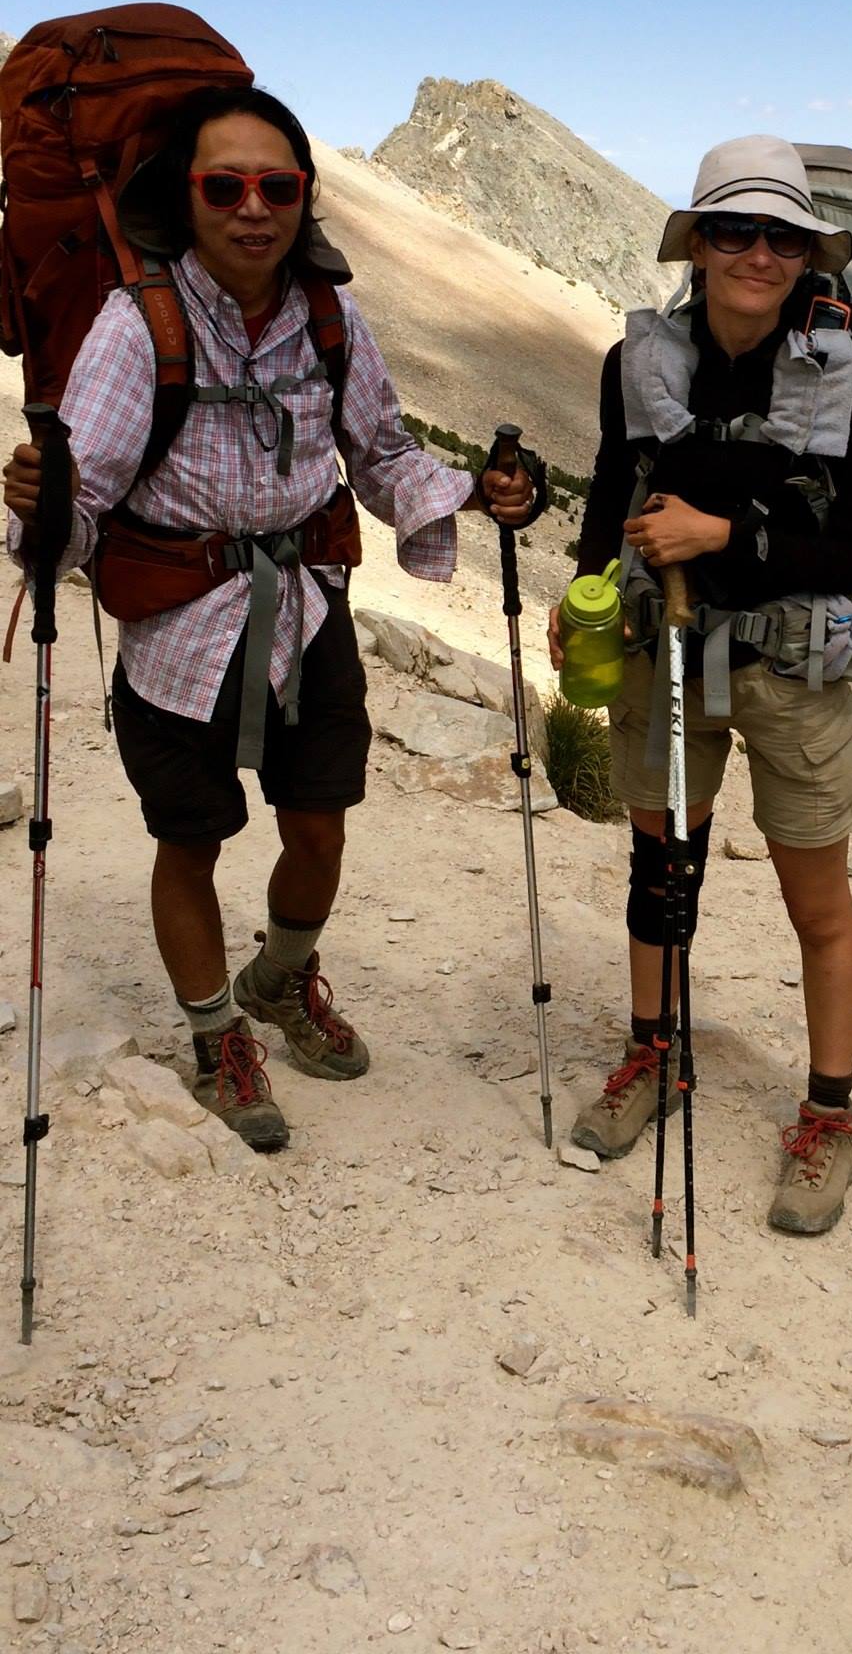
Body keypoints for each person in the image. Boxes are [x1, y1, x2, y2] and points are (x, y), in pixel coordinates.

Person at [3, 86, 534, 1150]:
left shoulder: (330, 318)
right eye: (225, 185)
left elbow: (380, 451)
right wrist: (45, 506)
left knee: (321, 823)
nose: (254, 207)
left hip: (304, 607)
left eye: (276, 185)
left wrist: (477, 491)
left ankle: (280, 980)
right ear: (185, 197)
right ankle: (216, 1040)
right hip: (177, 627)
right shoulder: (136, 323)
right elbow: (88, 491)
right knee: (188, 838)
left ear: (304, 196)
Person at [551, 136, 852, 1235]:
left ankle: (827, 1115)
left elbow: (849, 551)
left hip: (791, 665)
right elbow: (617, 484)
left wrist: (722, 535)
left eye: (781, 235)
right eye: (734, 230)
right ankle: (655, 1052)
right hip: (667, 650)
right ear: (697, 242)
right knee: (661, 865)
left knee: (817, 902)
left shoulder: (848, 377)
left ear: (808, 252)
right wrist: (589, 579)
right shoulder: (632, 362)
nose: (757, 252)